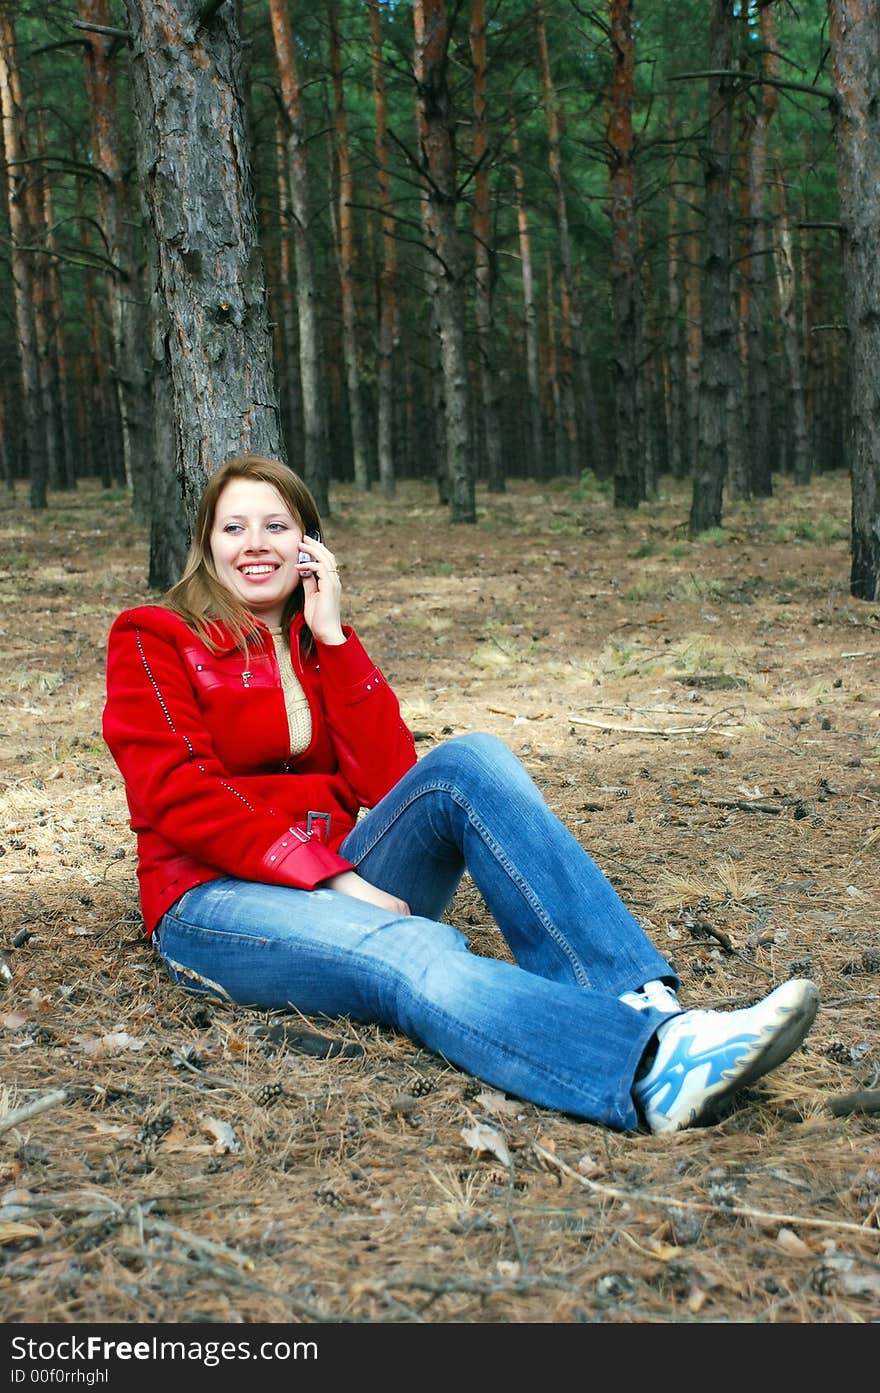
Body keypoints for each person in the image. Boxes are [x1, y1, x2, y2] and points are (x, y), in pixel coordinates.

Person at [102, 454, 818, 1135]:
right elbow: (176, 789)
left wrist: (335, 635)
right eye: (234, 528)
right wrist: (334, 878)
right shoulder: (154, 635)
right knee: (411, 950)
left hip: (337, 876)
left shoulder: (317, 642)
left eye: (277, 526)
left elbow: (388, 782)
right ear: (206, 544)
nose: (256, 545)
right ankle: (645, 1071)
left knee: (469, 760)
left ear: (310, 545)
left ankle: (644, 1006)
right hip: (212, 901)